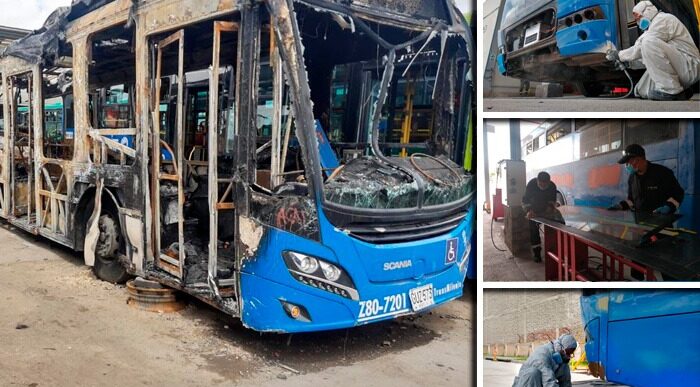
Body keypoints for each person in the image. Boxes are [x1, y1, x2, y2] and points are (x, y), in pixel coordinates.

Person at [606, 1, 700, 101]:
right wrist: (629, 63)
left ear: (648, 11)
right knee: (640, 90)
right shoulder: (652, 28)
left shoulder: (663, 19)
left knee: (647, 42)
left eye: (639, 17)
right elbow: (651, 58)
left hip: (690, 65)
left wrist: (619, 55)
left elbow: (639, 48)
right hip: (680, 66)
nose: (638, 21)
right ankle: (682, 93)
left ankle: (672, 91)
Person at [608, 144, 684, 214]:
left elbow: (678, 194)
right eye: (626, 163)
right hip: (641, 225)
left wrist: (669, 207)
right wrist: (621, 205)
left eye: (629, 161)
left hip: (662, 223)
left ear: (638, 159)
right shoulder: (632, 178)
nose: (627, 165)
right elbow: (631, 200)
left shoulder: (662, 173)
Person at [523, 172, 561, 262]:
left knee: (555, 227)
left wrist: (551, 207)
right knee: (534, 231)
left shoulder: (552, 186)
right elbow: (525, 200)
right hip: (533, 211)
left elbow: (552, 201)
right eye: (540, 184)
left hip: (546, 211)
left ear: (549, 182)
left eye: (545, 185)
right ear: (537, 181)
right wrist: (528, 210)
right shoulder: (531, 184)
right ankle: (537, 254)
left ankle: (554, 251)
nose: (543, 186)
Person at [512, 334, 577, 387]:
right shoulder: (542, 354)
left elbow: (566, 382)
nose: (568, 357)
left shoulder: (563, 359)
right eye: (568, 353)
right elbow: (548, 382)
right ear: (560, 347)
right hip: (525, 383)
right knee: (533, 373)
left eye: (571, 354)